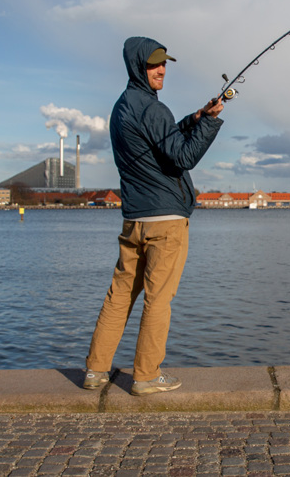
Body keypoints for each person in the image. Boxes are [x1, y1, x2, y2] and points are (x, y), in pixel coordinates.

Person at [84, 36, 224, 395]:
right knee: (158, 299)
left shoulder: (122, 107)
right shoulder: (151, 107)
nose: (161, 70)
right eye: (154, 64)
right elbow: (182, 157)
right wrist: (209, 125)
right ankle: (146, 376)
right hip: (166, 223)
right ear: (138, 66)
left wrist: (195, 117)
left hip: (134, 221)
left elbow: (161, 142)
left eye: (164, 64)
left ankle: (95, 371)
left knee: (120, 295)